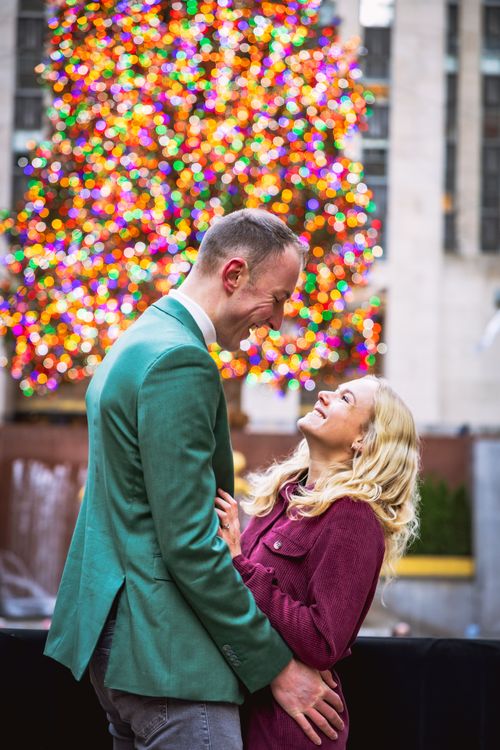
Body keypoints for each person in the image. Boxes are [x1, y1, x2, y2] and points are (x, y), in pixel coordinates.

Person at [44, 208, 345, 750]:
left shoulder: (141, 338)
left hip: (122, 647)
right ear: (233, 275)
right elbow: (188, 543)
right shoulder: (180, 361)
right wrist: (275, 665)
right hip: (166, 657)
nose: (276, 321)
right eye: (277, 299)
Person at [215, 375, 420, 749]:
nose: (323, 394)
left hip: (290, 728)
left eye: (344, 398)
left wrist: (241, 566)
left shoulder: (353, 516)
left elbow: (323, 642)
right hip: (250, 704)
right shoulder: (284, 494)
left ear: (364, 439)